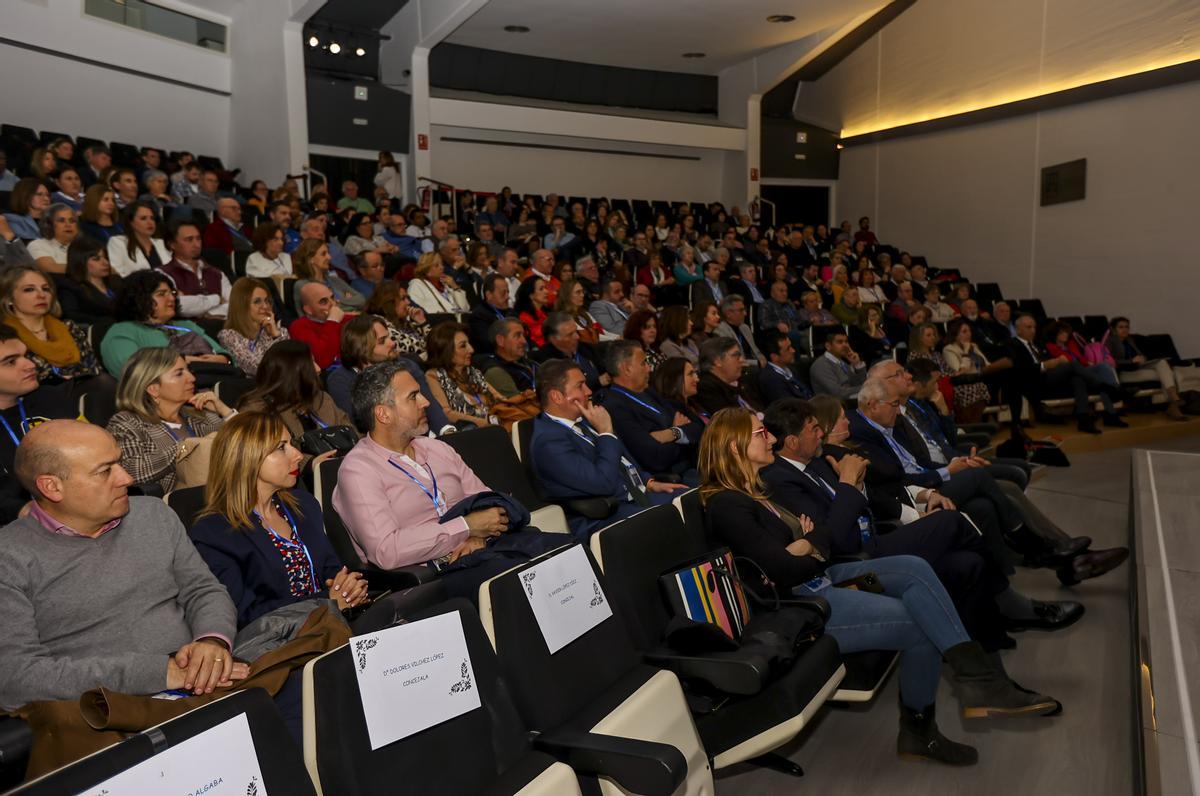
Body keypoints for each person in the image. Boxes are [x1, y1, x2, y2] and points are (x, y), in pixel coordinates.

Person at [698, 407, 1056, 766]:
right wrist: (808, 544)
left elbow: (818, 537)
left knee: (913, 569)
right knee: (918, 623)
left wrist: (808, 543)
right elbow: (785, 570)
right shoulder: (727, 504)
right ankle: (922, 729)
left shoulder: (757, 492)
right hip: (807, 604)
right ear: (734, 447)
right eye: (762, 433)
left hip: (832, 579)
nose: (771, 437)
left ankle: (979, 679)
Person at [0, 420, 247, 712]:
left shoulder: (153, 515)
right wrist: (161, 672)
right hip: (107, 715)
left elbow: (203, 590)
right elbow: (16, 680)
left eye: (119, 463)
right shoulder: (10, 556)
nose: (127, 478)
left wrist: (211, 641)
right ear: (52, 487)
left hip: (203, 684)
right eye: (105, 471)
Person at [333, 361, 563, 598]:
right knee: (523, 578)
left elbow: (490, 503)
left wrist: (477, 535)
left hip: (482, 551)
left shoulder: (436, 449)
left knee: (566, 550)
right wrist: (467, 526)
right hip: (430, 576)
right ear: (383, 413)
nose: (426, 402)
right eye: (413, 397)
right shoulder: (359, 471)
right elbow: (387, 550)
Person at [191, 412, 367, 628]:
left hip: (334, 625)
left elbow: (333, 571)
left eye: (291, 444)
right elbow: (243, 616)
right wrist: (326, 602)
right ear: (247, 457)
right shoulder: (215, 531)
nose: (298, 455)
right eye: (281, 447)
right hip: (282, 646)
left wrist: (349, 588)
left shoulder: (302, 505)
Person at [530, 359, 686, 538]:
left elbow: (624, 461)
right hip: (603, 517)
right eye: (580, 386)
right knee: (679, 513)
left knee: (692, 498)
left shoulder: (585, 419)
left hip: (634, 498)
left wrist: (648, 482)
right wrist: (606, 433)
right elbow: (602, 483)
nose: (589, 391)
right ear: (557, 396)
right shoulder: (548, 442)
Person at [107, 347, 235, 493]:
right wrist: (185, 448)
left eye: (188, 371)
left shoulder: (199, 415)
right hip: (177, 507)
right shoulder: (127, 423)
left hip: (224, 494)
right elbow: (132, 471)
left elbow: (249, 446)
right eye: (179, 373)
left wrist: (225, 412)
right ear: (153, 389)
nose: (192, 378)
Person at [0, 325, 77, 523]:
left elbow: (93, 451)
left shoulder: (49, 397)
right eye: (10, 362)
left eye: (26, 355)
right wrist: (26, 511)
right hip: (20, 525)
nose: (30, 364)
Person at [327, 314, 450, 433]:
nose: (392, 343)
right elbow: (356, 426)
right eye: (382, 341)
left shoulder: (406, 365)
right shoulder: (340, 380)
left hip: (421, 435)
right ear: (361, 349)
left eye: (389, 337)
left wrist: (447, 431)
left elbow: (431, 407)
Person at [600, 340, 700, 483]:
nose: (649, 369)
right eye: (643, 363)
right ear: (627, 369)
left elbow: (697, 426)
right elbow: (654, 457)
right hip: (673, 478)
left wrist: (671, 433)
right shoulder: (614, 407)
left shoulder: (649, 392)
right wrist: (682, 437)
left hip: (691, 465)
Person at [100, 270, 231, 377]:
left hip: (214, 382)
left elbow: (222, 353)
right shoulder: (121, 332)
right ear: (139, 298)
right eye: (161, 294)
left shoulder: (186, 325)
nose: (172, 298)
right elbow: (134, 372)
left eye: (172, 293)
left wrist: (224, 359)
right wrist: (188, 361)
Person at [1005, 314, 1118, 434]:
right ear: (1018, 329)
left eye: (1034, 327)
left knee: (1077, 378)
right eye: (1029, 327)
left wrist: (1054, 363)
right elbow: (1021, 368)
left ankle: (1083, 419)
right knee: (1073, 365)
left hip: (1051, 375)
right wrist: (1045, 365)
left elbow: (1050, 360)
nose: (1033, 330)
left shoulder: (1038, 343)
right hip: (1035, 379)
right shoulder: (1012, 344)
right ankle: (1105, 387)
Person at [0, 264, 107, 389]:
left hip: (86, 394)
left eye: (46, 289)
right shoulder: (6, 335)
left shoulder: (68, 327)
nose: (41, 295)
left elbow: (94, 369)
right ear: (9, 298)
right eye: (29, 289)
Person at [239, 340, 354, 447]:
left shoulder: (322, 399)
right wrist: (312, 464)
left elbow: (353, 435)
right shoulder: (258, 410)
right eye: (310, 364)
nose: (318, 369)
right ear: (291, 372)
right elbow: (266, 455)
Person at [425, 322, 537, 431]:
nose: (471, 350)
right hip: (472, 434)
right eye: (463, 346)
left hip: (496, 428)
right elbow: (447, 413)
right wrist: (485, 423)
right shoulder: (434, 376)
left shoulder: (473, 373)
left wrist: (524, 397)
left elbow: (500, 399)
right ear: (445, 350)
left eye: (468, 344)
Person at [1105, 316, 1192, 421]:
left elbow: (1139, 354)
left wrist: (1143, 358)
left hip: (1139, 367)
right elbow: (1110, 361)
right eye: (1121, 327)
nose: (1125, 329)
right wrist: (1131, 361)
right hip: (1125, 373)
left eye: (1127, 327)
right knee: (1166, 374)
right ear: (1114, 329)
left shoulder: (1130, 339)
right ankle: (1174, 404)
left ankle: (1173, 400)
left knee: (1162, 363)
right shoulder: (1110, 341)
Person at [942, 318, 1012, 424]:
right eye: (964, 331)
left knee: (1010, 373)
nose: (968, 334)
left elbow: (986, 363)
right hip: (966, 380)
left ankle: (1009, 418)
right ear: (955, 334)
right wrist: (965, 352)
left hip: (983, 375)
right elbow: (960, 371)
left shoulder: (973, 346)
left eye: (969, 331)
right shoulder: (949, 349)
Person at [160, 219, 232, 319]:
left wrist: (208, 314)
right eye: (189, 240)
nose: (197, 244)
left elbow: (234, 306)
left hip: (220, 330)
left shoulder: (217, 274)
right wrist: (217, 299)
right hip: (185, 332)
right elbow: (178, 305)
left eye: (198, 239)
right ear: (172, 244)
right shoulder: (163, 274)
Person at [218, 277, 290, 377]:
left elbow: (292, 362)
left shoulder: (280, 332)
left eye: (267, 301)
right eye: (257, 301)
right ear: (241, 305)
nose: (265, 306)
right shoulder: (229, 336)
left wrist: (276, 335)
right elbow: (258, 368)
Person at [57, 237, 122, 325]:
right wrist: (109, 321)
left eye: (106, 258)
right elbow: (72, 316)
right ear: (80, 261)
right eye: (96, 259)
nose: (106, 263)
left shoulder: (116, 281)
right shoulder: (70, 287)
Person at [292, 238, 366, 313]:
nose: (329, 257)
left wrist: (338, 301)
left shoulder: (335, 280)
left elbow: (362, 300)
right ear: (311, 259)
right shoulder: (303, 285)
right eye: (323, 254)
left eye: (328, 253)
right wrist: (347, 300)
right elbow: (321, 313)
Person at [364, 281, 430, 360]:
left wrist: (421, 322)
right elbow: (418, 348)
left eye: (407, 298)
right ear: (389, 303)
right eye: (403, 298)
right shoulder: (379, 323)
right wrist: (423, 324)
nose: (408, 302)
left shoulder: (403, 321)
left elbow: (434, 344)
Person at [695, 337, 762, 415]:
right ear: (717, 361)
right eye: (736, 356)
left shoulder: (741, 379)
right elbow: (729, 421)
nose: (742, 360)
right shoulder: (706, 388)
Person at [107, 201, 171, 278]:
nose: (150, 222)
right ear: (131, 222)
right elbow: (117, 274)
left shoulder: (161, 243)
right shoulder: (118, 242)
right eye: (143, 218)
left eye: (152, 218)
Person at [482, 317, 540, 398]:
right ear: (500, 340)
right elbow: (517, 406)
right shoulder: (495, 372)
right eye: (517, 335)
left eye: (523, 335)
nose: (524, 341)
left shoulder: (531, 363)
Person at [808, 328, 867, 399]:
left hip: (850, 400)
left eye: (846, 342)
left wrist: (857, 364)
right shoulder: (820, 365)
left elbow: (857, 383)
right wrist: (867, 387)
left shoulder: (841, 362)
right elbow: (838, 393)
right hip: (833, 406)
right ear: (828, 346)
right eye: (840, 342)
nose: (845, 345)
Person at [757, 330, 812, 404]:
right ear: (775, 357)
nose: (793, 351)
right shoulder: (771, 379)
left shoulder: (791, 369)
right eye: (788, 349)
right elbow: (789, 407)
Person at [467, 273, 514, 353]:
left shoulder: (511, 313)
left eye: (508, 292)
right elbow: (488, 344)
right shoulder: (479, 316)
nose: (507, 297)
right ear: (489, 295)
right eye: (503, 293)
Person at [713, 295, 765, 366]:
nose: (745, 313)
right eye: (741, 310)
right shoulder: (720, 331)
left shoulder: (745, 328)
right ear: (728, 314)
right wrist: (757, 363)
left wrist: (762, 359)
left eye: (744, 309)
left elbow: (755, 351)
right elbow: (734, 359)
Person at [27, 203, 78, 274]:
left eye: (72, 221)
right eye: (61, 221)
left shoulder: (83, 246)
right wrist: (87, 269)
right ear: (49, 225)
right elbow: (51, 268)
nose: (68, 225)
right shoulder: (38, 245)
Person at [555, 278, 606, 345]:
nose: (582, 295)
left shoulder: (585, 313)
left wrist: (616, 338)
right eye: (578, 292)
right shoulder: (563, 318)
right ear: (567, 295)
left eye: (582, 292)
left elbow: (598, 335)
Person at [515, 276, 551, 348]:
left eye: (545, 288)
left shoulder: (546, 313)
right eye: (541, 289)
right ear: (531, 295)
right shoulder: (524, 317)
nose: (546, 291)